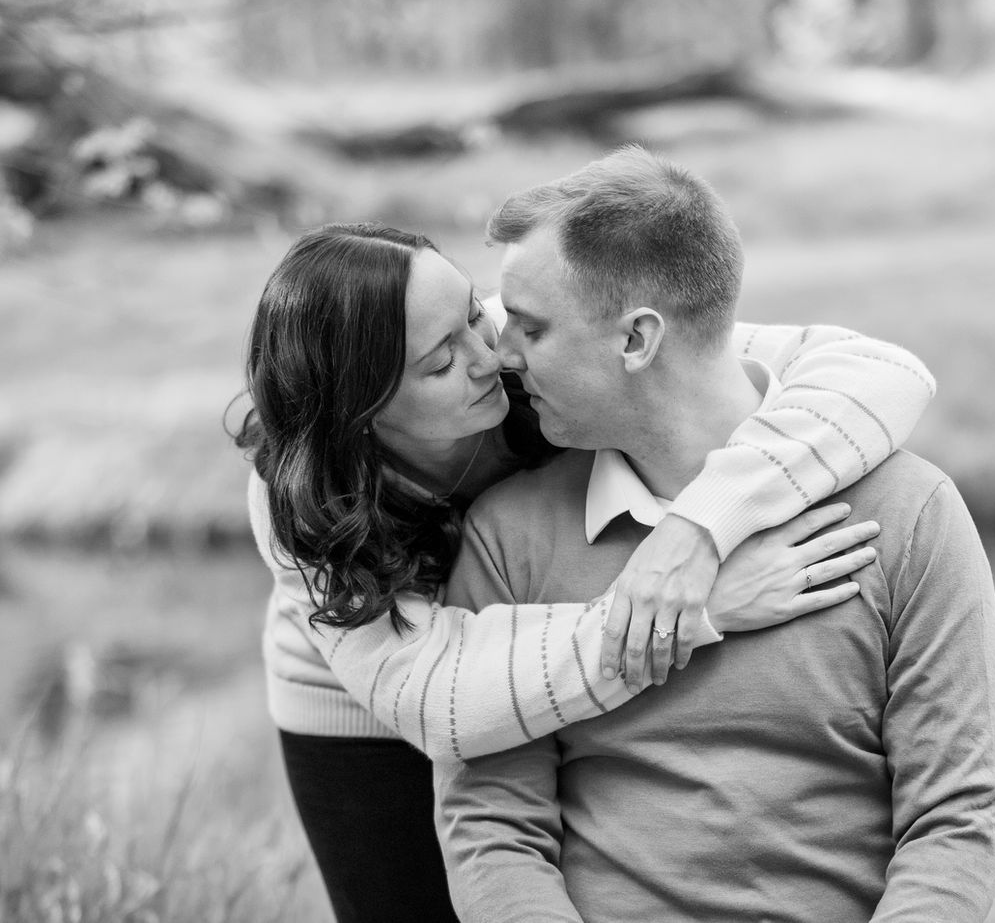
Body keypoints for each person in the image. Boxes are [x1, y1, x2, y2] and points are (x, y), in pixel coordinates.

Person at [236, 216, 938, 922]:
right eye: (440, 363)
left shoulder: (531, 342)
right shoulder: (303, 500)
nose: (490, 357)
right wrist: (694, 609)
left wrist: (696, 532)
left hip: (541, 617)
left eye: (474, 316)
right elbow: (436, 698)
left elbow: (881, 374)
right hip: (371, 702)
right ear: (362, 410)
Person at [435, 146, 995, 922]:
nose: (500, 356)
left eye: (530, 329)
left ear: (636, 339)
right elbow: (495, 832)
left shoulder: (910, 513)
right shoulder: (508, 536)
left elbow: (955, 816)